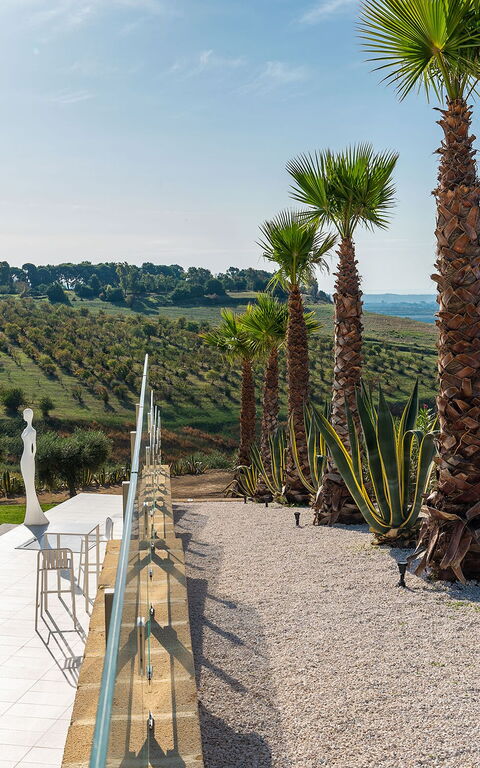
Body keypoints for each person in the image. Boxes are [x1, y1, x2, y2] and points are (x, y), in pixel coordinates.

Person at [21, 408, 48, 526]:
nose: (23, 416)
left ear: (28, 416)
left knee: (30, 485)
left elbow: (34, 447)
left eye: (24, 415)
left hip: (29, 459)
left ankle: (36, 516)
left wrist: (32, 458)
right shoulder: (25, 429)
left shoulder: (32, 431)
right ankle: (31, 515)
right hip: (24, 458)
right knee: (28, 485)